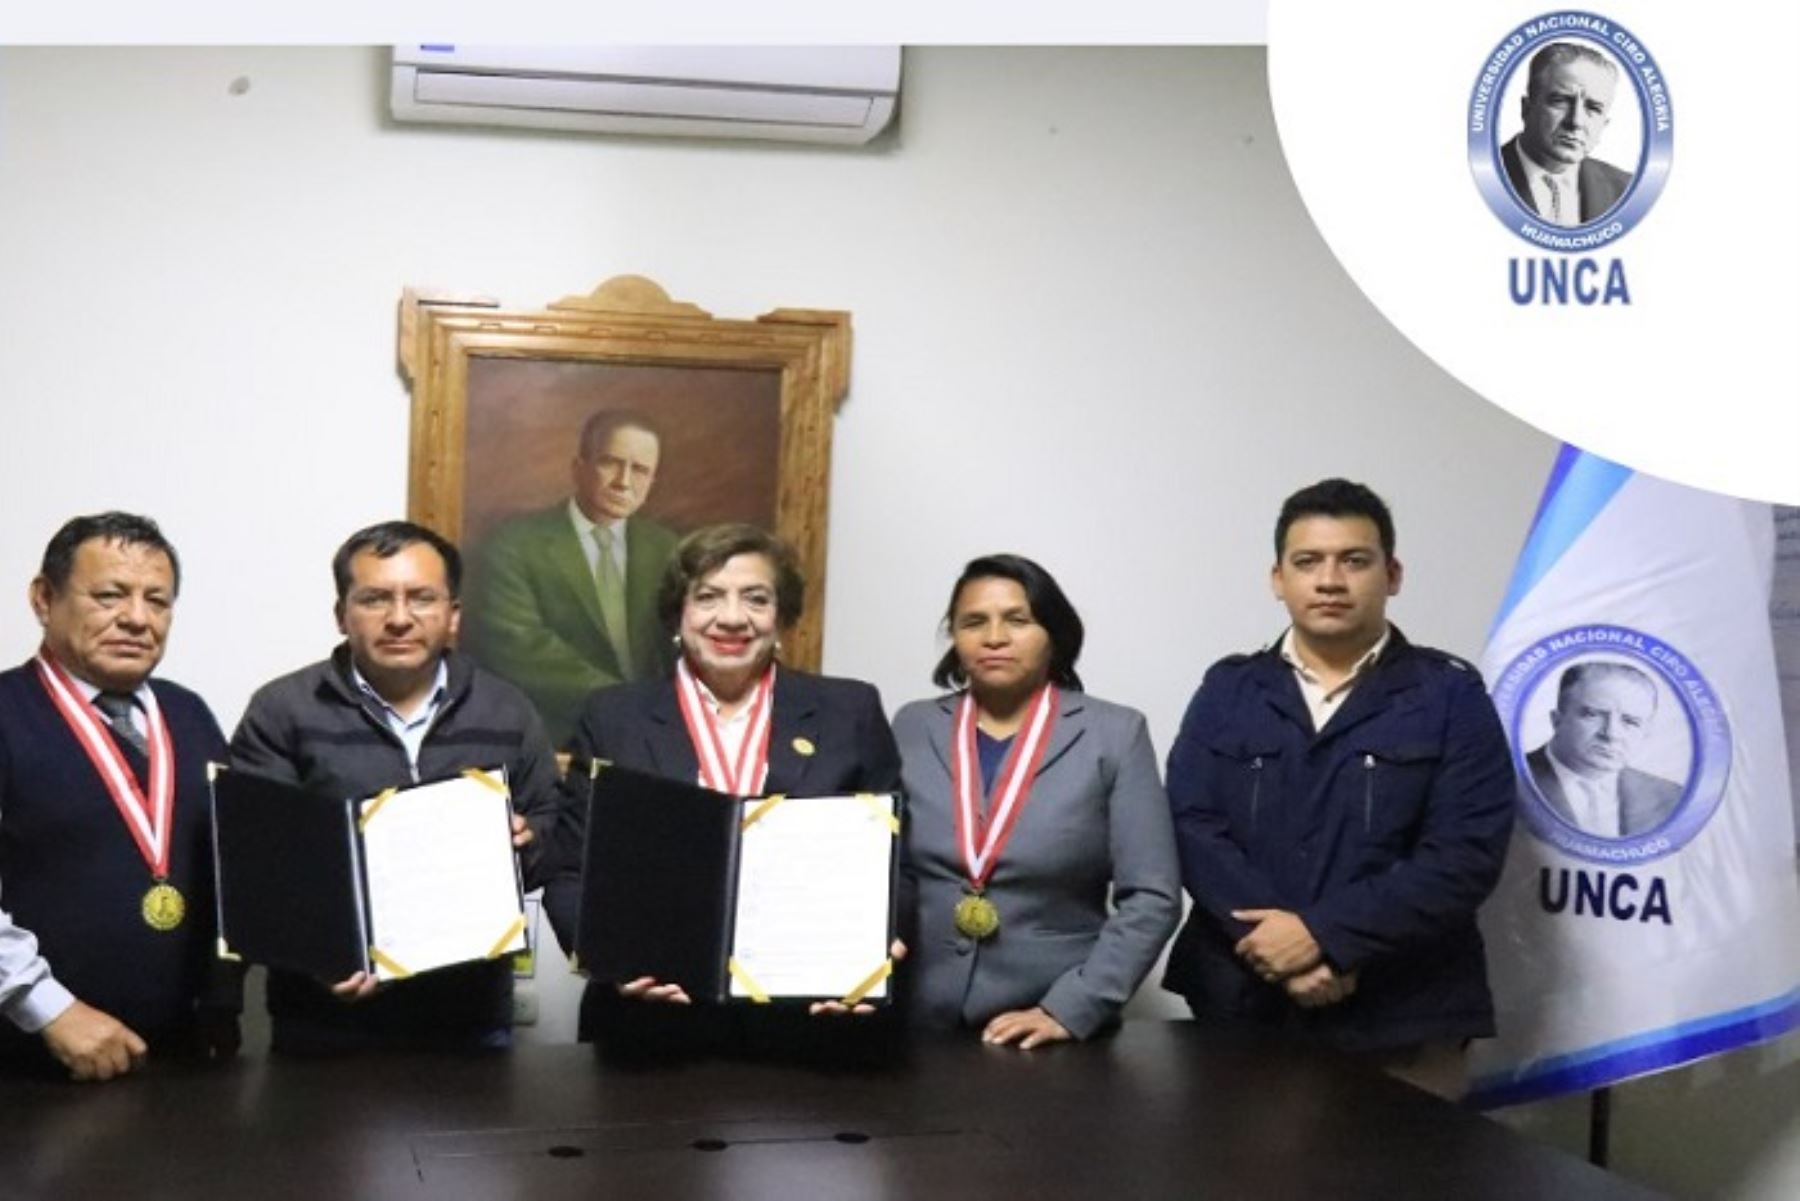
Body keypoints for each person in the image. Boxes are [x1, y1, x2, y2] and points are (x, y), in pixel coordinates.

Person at [1163, 479, 1514, 1099]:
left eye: (1354, 560)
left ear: (1393, 573)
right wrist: (1273, 946)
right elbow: (1191, 824)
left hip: (1404, 1010)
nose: (1330, 580)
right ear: (1278, 579)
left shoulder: (1451, 696)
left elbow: (1464, 856)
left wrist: (1325, 936)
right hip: (1242, 1005)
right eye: (1308, 562)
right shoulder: (1228, 690)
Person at [543, 523, 901, 1061]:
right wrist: (611, 959)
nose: (732, 618)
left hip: (808, 1024)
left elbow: (896, 865)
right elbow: (569, 871)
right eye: (708, 597)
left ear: (781, 616)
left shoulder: (849, 711)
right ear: (678, 614)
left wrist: (876, 947)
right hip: (648, 1028)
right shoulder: (614, 717)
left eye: (756, 598)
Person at [229, 520, 559, 1054]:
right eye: (375, 599)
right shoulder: (282, 710)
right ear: (341, 614)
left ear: (453, 615)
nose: (400, 619)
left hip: (469, 1019)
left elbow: (551, 824)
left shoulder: (508, 710)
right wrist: (315, 954)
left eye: (422, 598)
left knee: (475, 1141)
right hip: (326, 1019)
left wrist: (529, 839)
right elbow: (257, 860)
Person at [893, 555, 1179, 1048]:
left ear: (1054, 633)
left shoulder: (1115, 734)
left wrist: (1073, 1008)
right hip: (916, 1016)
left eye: (1017, 620)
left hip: (1050, 1024)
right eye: (973, 622)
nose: (994, 637)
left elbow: (1152, 896)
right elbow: (884, 865)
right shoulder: (913, 726)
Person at [0, 513, 238, 1081]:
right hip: (30, 1063)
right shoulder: (7, 712)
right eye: (110, 595)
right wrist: (49, 1010)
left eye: (157, 601)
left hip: (185, 1059)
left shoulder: (190, 713)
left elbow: (232, 864)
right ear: (44, 598)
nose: (136, 618)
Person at [465, 409, 681, 744]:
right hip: (551, 739)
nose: (624, 481)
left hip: (652, 740)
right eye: (610, 462)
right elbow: (519, 647)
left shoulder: (667, 549)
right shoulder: (515, 543)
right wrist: (628, 703)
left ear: (652, 481)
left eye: (640, 470)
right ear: (579, 468)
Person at [1526, 660, 1683, 838]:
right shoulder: (1511, 779)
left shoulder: (1671, 798)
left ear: (1646, 732)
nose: (1611, 734)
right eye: (1592, 715)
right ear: (1556, 720)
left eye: (1630, 721)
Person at [1501, 41, 1632, 227]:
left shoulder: (1627, 191)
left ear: (1604, 124)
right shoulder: (1480, 179)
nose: (1576, 121)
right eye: (1560, 101)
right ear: (1526, 109)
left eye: (1593, 108)